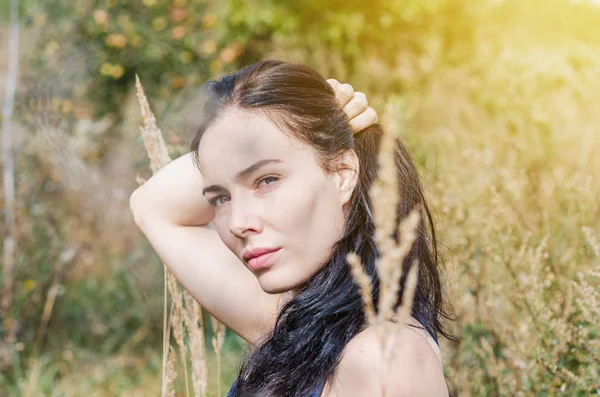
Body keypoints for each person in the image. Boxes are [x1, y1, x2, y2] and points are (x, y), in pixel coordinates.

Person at [130, 60, 453, 396]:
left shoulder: (384, 356)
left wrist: (310, 129)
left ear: (342, 173)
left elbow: (154, 207)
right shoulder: (299, 329)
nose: (238, 224)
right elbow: (151, 205)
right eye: (221, 198)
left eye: (267, 180)